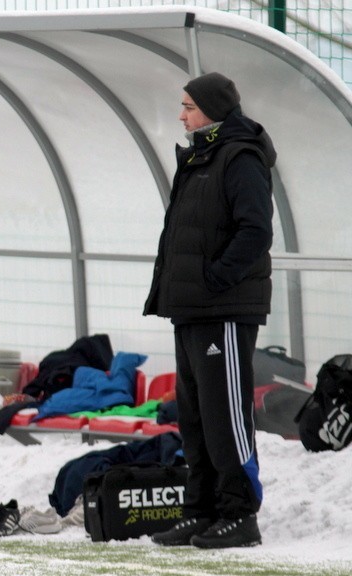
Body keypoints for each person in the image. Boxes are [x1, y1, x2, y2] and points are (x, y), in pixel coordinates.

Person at [143, 72, 276, 549]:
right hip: (192, 309)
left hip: (223, 308)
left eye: (188, 107)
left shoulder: (239, 156)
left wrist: (215, 279)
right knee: (195, 415)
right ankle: (201, 510)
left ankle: (240, 515)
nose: (181, 115)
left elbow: (255, 230)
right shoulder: (201, 156)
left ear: (212, 110)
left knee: (225, 415)